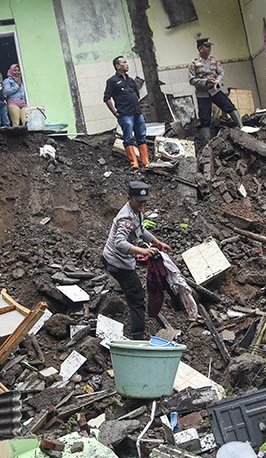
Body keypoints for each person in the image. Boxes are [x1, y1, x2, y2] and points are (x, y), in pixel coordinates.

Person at [102, 181, 171, 340]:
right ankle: (137, 337)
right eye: (139, 201)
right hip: (117, 263)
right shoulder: (125, 218)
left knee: (134, 292)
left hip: (121, 260)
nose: (143, 204)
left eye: (145, 201)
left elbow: (141, 230)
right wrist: (143, 251)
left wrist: (157, 242)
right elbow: (120, 243)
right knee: (137, 297)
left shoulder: (137, 211)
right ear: (129, 198)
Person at [188, 37, 243, 142]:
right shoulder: (193, 64)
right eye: (207, 46)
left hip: (215, 91)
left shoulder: (214, 60)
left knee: (229, 106)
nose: (209, 49)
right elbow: (192, 80)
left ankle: (242, 128)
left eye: (210, 47)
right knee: (205, 118)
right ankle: (208, 142)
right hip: (202, 94)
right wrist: (205, 81)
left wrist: (217, 82)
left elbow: (221, 72)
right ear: (200, 48)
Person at [103, 56, 149, 170]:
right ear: (118, 66)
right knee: (128, 138)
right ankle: (134, 163)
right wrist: (115, 112)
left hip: (137, 112)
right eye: (124, 62)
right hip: (125, 114)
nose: (127, 64)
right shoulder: (112, 81)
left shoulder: (130, 80)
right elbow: (106, 98)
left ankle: (146, 162)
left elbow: (136, 94)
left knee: (141, 136)